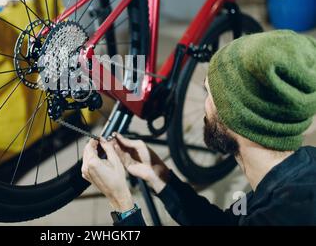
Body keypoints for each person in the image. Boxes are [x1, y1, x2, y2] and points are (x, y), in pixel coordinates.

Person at [81, 30, 316, 225]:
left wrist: (123, 206)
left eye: (209, 94)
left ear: (238, 117)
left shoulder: (283, 217)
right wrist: (159, 175)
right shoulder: (298, 173)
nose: (204, 105)